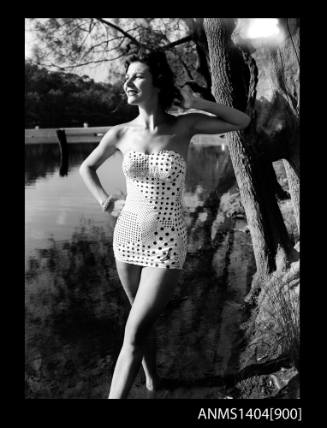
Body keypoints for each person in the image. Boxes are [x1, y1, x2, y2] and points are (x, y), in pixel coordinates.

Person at [79, 49, 250, 399]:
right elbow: (86, 168)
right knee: (139, 325)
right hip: (126, 237)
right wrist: (107, 202)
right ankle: (154, 383)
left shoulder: (184, 124)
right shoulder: (120, 133)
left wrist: (197, 101)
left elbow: (241, 121)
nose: (127, 82)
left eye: (137, 76)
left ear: (157, 83)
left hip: (167, 242)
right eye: (126, 77)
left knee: (133, 332)